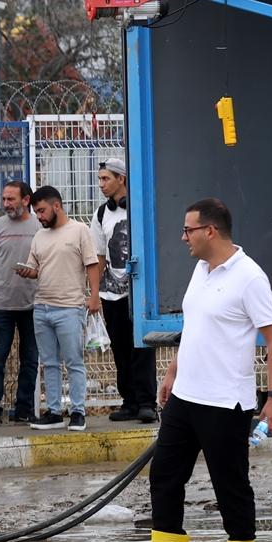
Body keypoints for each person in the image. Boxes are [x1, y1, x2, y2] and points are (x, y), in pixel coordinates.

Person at [120, 198, 272, 542]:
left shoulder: (249, 276)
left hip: (225, 402)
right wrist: (173, 372)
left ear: (210, 230)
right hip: (186, 398)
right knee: (163, 476)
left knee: (230, 487)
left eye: (188, 230)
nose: (183, 237)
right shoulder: (200, 269)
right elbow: (192, 326)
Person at [16, 185, 100, 432]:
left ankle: (78, 412)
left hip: (69, 308)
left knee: (74, 361)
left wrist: (94, 297)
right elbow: (35, 268)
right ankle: (53, 412)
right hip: (41, 307)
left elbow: (92, 264)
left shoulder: (79, 231)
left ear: (56, 206)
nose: (39, 217)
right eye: (36, 212)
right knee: (49, 363)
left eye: (41, 211)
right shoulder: (39, 236)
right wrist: (26, 271)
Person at [90, 158, 158, 423]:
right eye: (100, 179)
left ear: (122, 179)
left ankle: (146, 403)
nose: (101, 184)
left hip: (137, 291)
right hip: (111, 292)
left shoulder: (140, 209)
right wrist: (94, 292)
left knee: (141, 346)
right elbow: (98, 256)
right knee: (120, 347)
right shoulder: (101, 214)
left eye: (106, 179)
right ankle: (128, 401)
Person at [0, 180, 40, 426]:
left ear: (26, 200)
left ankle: (23, 410)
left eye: (11, 199)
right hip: (1, 304)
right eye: (4, 199)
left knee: (30, 359)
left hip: (33, 305)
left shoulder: (40, 226)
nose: (6, 204)